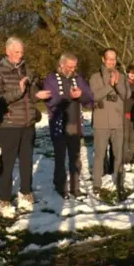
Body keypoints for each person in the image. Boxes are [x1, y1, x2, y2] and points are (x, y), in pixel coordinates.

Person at [0, 37, 51, 218]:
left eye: (22, 52)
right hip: (9, 123)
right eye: (17, 52)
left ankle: (26, 193)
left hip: (27, 123)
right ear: (8, 51)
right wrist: (19, 90)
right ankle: (4, 199)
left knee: (26, 161)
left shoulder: (27, 69)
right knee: (7, 164)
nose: (20, 55)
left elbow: (30, 95)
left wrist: (37, 94)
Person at [42, 52, 93, 199]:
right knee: (60, 156)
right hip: (58, 123)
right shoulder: (51, 79)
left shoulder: (78, 79)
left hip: (74, 122)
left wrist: (81, 95)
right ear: (61, 64)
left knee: (75, 156)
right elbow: (50, 101)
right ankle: (60, 185)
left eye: (74, 67)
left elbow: (89, 99)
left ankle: (75, 187)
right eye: (69, 67)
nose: (72, 70)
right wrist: (68, 96)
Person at [89, 48, 131, 200]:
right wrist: (110, 84)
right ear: (103, 59)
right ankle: (96, 183)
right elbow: (94, 95)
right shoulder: (95, 77)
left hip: (118, 122)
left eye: (114, 59)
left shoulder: (122, 76)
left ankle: (120, 182)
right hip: (101, 122)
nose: (112, 62)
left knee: (118, 154)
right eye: (109, 59)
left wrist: (118, 82)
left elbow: (126, 95)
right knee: (99, 154)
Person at [124, 64, 134, 165]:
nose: (132, 75)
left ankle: (132, 157)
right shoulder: (123, 84)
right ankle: (125, 158)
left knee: (133, 138)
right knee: (125, 138)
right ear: (127, 73)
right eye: (130, 73)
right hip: (124, 114)